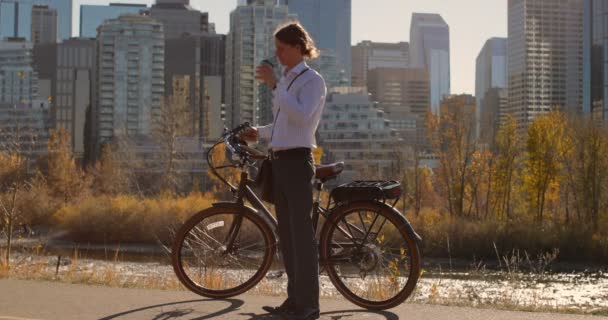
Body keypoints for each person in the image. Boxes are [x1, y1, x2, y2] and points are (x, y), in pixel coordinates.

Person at [240, 22, 326, 320]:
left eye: (282, 48)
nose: (277, 54)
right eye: (276, 48)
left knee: (302, 237)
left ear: (299, 47)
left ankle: (309, 306)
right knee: (287, 237)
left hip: (298, 163)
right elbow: (283, 125)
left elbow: (301, 117)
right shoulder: (288, 80)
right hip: (279, 162)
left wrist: (275, 85)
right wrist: (259, 132)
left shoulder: (312, 81)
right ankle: (293, 302)